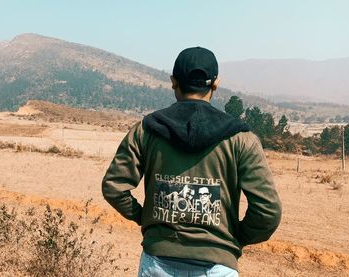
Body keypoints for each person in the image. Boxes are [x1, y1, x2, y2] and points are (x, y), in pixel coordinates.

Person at [101, 47, 282, 277]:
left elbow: (114, 187)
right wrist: (233, 238)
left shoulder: (146, 130)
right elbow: (268, 212)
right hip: (218, 266)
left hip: (158, 262)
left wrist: (147, 218)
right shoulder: (241, 138)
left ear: (173, 81)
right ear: (215, 83)